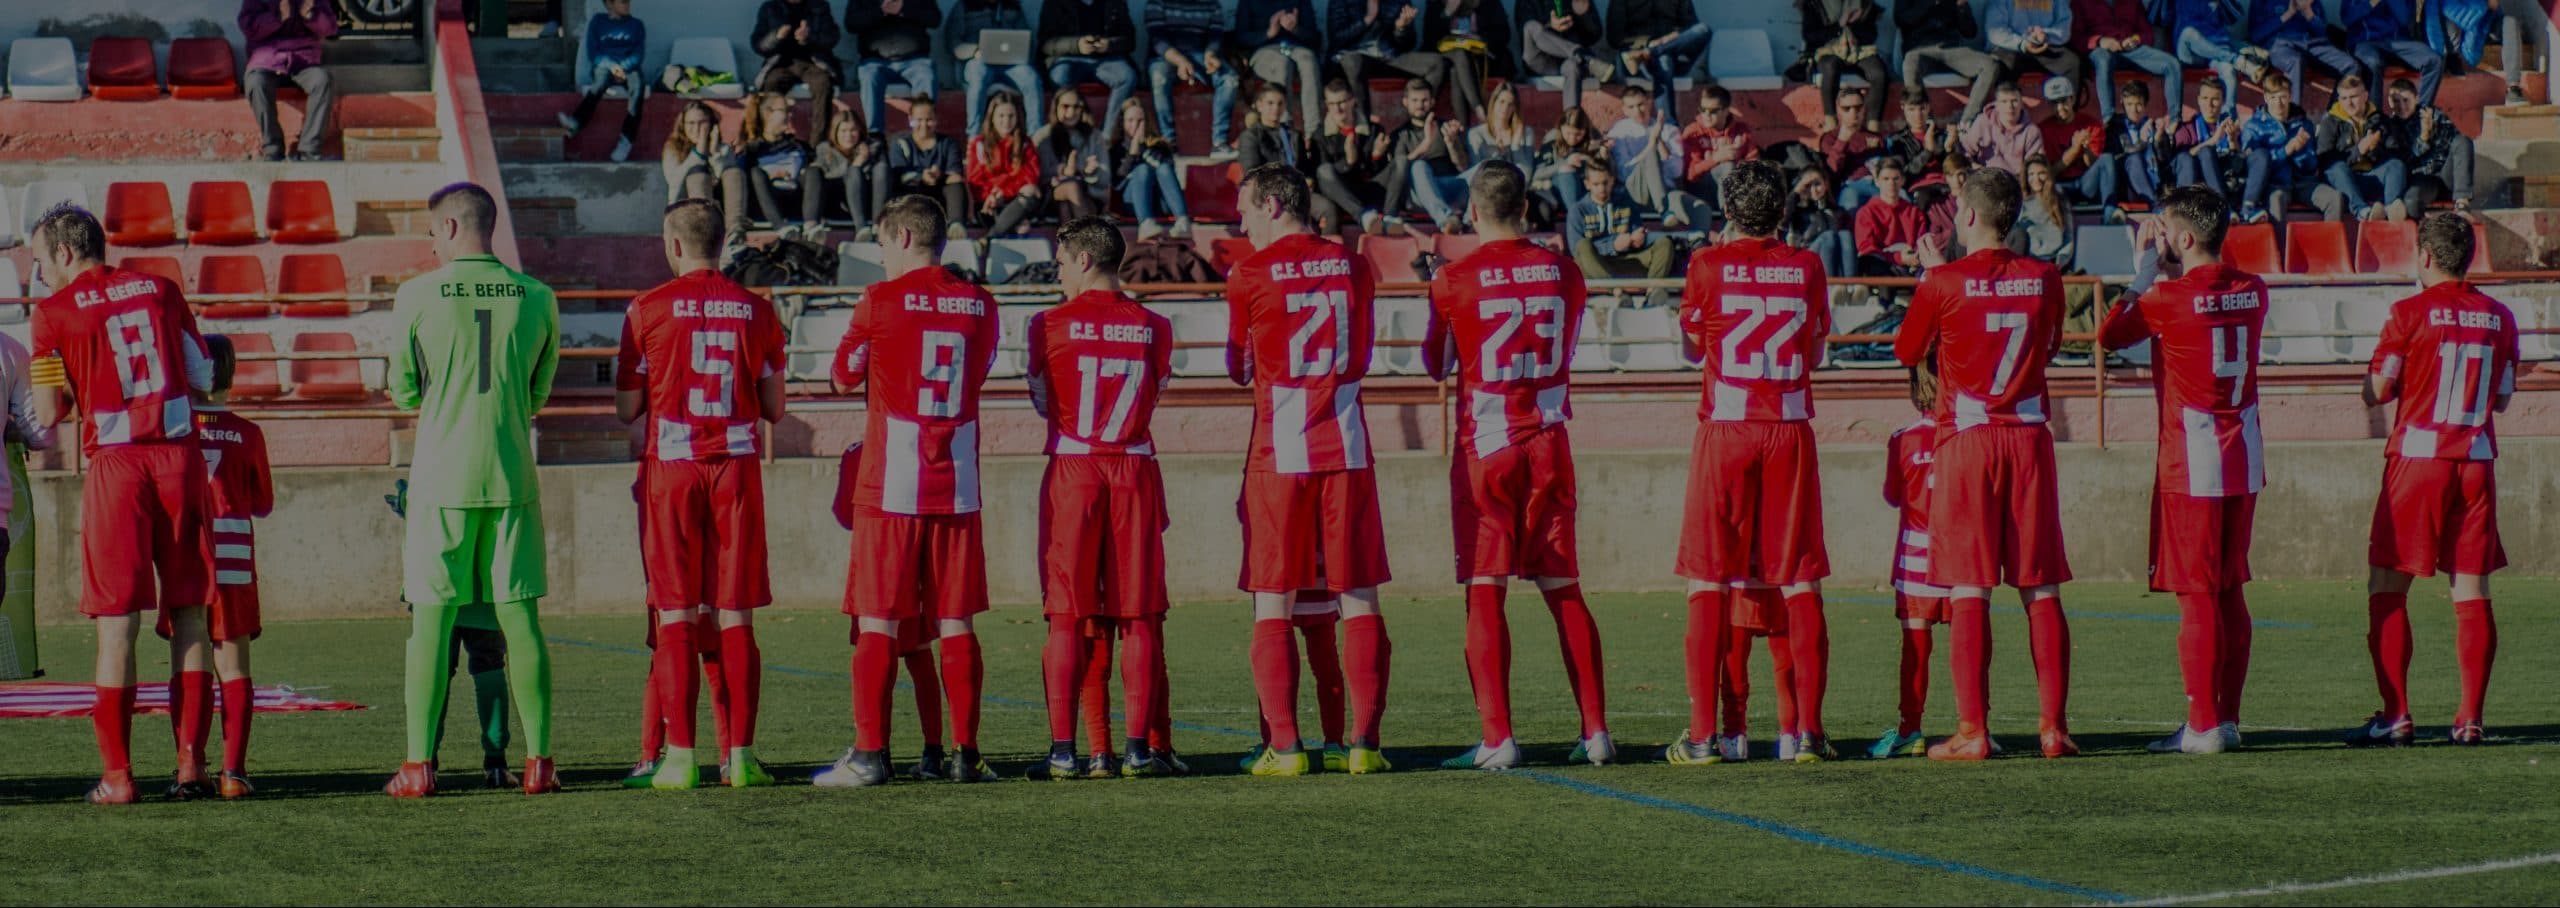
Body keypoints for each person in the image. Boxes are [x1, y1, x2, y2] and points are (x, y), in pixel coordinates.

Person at [1421, 161, 1612, 771]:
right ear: (1526, 209)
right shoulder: (1565, 271)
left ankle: (1499, 737)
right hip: (1549, 441)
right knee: (1564, 590)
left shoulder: (1453, 278)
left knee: (1485, 590)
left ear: (1473, 212)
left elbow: (1434, 362)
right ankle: (1597, 731)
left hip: (1488, 445)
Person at [27, 206, 216, 804]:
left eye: (38, 262)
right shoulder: (162, 289)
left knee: (117, 626)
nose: (38, 276)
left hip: (116, 463)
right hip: (180, 457)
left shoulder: (52, 314)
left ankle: (118, 777)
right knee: (189, 614)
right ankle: (190, 767)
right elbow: (203, 374)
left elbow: (53, 412)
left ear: (63, 253)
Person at [816, 195, 1003, 787]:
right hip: (957, 478)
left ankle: (870, 756)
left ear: (900, 237)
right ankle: (965, 756)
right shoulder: (980, 303)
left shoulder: (879, 300)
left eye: (880, 244)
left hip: (891, 479)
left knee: (878, 622)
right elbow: (979, 368)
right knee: (955, 622)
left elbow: (842, 377)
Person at [1891, 167, 2077, 761]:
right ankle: (2053, 728)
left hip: (1968, 441)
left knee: (1970, 586)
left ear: (1967, 217)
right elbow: (2049, 347)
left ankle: (1973, 730)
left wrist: (1929, 274)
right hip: (2026, 438)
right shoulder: (2045, 277)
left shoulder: (1943, 280)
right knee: (2040, 588)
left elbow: (1905, 350)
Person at [384, 184, 563, 797]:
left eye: (434, 233)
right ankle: (539, 763)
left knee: (430, 626)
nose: (431, 245)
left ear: (454, 227)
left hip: (441, 481)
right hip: (512, 476)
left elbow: (404, 391)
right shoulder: (538, 296)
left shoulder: (416, 294)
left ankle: (417, 767)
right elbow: (537, 396)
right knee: (521, 622)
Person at [1225, 164, 1393, 777]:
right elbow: (1366, 352)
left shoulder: (1248, 272)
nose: (1240, 222)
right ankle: (1364, 746)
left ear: (1273, 204)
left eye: (1245, 209)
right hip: (1345, 446)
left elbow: (1237, 366)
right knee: (1359, 598)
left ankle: (1287, 748)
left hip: (1278, 454)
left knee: (1273, 602)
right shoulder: (1354, 264)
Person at [614, 199, 788, 789]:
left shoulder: (646, 310)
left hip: (674, 469)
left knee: (675, 613)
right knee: (735, 614)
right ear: (721, 243)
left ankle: (680, 758)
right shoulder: (757, 310)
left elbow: (626, 410)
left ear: (673, 244)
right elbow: (775, 409)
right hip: (735, 468)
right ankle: (739, 757)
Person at [1667, 160, 1836, 765]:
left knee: (1709, 577)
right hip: (1788, 427)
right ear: (1783, 212)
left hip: (1728, 428)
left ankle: (1704, 736)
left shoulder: (1707, 265)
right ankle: (1809, 735)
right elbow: (1816, 346)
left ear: (1728, 212)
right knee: (1798, 577)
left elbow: (1692, 348)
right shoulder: (1808, 265)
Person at [2096, 185, 2266, 756]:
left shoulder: (2166, 299)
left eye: (2168, 229)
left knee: (2196, 595)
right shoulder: (2254, 290)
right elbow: (2220, 280)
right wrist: (2181, 250)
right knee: (2230, 591)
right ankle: (2229, 719)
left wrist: (2146, 267)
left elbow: (2109, 333)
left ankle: (2202, 725)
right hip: (2244, 454)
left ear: (2184, 237)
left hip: (2191, 459)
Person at [1025, 217, 1178, 780]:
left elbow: (1043, 400)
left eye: (1063, 262)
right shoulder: (1156, 326)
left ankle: (1066, 750)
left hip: (1075, 468)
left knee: (1067, 616)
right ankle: (1138, 750)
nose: (1060, 273)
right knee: (1138, 616)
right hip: (1134, 468)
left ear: (1085, 261)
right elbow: (1157, 391)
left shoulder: (1046, 324)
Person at [2354, 214, 2514, 748]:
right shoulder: (2500, 316)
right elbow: (2503, 399)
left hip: (2419, 461)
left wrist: (2368, 385)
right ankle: (2469, 718)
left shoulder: (2407, 313)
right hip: (2475, 458)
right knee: (2471, 590)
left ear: (2424, 256)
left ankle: (2396, 713)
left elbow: (2379, 389)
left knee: (2387, 586)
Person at [167, 336, 268, 799]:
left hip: (184, 550)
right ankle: (234, 773)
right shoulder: (249, 432)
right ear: (231, 374)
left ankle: (190, 765)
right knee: (234, 662)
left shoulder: (175, 428)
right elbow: (263, 503)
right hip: (232, 555)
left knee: (187, 656)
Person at [1868, 366, 1944, 759]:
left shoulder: (1903, 439)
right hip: (1962, 554)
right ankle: (1976, 724)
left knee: (1916, 645)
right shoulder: (1965, 435)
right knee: (1972, 639)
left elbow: (1892, 496)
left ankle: (1910, 729)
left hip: (1916, 555)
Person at [239, 0, 339, 162]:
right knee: (255, 82)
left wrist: (310, 15)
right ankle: (273, 148)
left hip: (304, 59)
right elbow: (249, 27)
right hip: (268, 59)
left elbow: (329, 28)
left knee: (322, 80)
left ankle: (309, 149)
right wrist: (278, 17)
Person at [1329, 0, 1451, 124]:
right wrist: (1368, 19)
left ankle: (1419, 121)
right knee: (1353, 62)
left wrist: (1401, 28)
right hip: (1356, 57)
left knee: (1437, 63)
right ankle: (1364, 125)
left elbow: (1409, 44)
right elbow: (1336, 38)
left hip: (1388, 57)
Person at [1715, 583, 1798, 761]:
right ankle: (1790, 736)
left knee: (1735, 658)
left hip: (1741, 585)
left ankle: (1734, 736)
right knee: (1785, 661)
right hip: (1779, 581)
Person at [1569, 163, 1677, 295]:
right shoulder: (1578, 210)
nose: (1602, 188)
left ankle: (1653, 291)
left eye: (1605, 183)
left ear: (1612, 180)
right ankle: (1616, 291)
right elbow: (1576, 250)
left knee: (1664, 243)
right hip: (1596, 266)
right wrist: (1612, 246)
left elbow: (1636, 230)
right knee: (1583, 246)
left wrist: (1638, 238)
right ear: (1587, 184)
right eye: (1596, 184)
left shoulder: (1625, 202)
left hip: (1628, 259)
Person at [1038, 0, 1138, 143]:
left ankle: (1107, 138)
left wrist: (1109, 45)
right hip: (1069, 58)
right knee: (1059, 77)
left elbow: (1130, 39)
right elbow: (1046, 43)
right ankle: (1069, 134)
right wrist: (1077, 45)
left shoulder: (1115, 3)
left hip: (1106, 59)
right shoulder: (1054, 3)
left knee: (1127, 76)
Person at [558, 0, 647, 161]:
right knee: (598, 85)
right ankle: (576, 122)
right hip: (605, 65)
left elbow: (638, 54)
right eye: (623, 2)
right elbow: (593, 53)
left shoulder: (637, 25)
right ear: (610, 4)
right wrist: (612, 66)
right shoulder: (598, 22)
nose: (628, 5)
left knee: (638, 87)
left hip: (629, 67)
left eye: (628, 2)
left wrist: (623, 67)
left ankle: (626, 140)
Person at [2313, 74, 2410, 222]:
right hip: (2345, 183)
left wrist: (2374, 149)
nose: (2349, 103)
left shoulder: (2380, 120)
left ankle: (2391, 209)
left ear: (2365, 96)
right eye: (2344, 98)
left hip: (2373, 178)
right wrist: (2359, 151)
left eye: (2353, 97)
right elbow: (2325, 161)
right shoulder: (2330, 122)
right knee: (2336, 167)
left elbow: (2395, 153)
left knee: (2396, 165)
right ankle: (2363, 212)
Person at [1147, 0, 1240, 154]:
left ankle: (1219, 142)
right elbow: (1158, 41)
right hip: (1166, 57)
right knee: (1159, 77)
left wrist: (1211, 54)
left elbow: (1216, 37)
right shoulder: (1157, 3)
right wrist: (1180, 61)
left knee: (1229, 78)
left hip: (1201, 55)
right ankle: (1168, 142)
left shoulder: (1212, 4)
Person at [1604, 84, 1700, 229]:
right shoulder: (1619, 132)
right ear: (1624, 110)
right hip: (1636, 191)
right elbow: (1624, 173)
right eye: (1631, 107)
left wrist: (1659, 140)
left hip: (1667, 190)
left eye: (1641, 104)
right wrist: (1651, 144)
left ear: (1649, 102)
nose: (1637, 111)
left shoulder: (1668, 130)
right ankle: (1663, 211)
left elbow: (1677, 171)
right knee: (1650, 155)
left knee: (1701, 209)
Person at [733, 91, 823, 241]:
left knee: (814, 171)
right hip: (768, 203)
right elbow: (741, 179)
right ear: (768, 114)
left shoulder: (798, 145)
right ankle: (781, 227)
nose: (790, 116)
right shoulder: (753, 148)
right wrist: (771, 176)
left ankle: (811, 226)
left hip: (797, 198)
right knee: (756, 173)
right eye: (785, 111)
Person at [844, 0, 942, 136]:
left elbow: (934, 19)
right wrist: (880, 11)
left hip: (915, 60)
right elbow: (851, 23)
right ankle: (875, 136)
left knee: (927, 76)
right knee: (868, 77)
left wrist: (904, 9)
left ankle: (924, 131)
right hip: (875, 61)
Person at [1388, 80, 1472, 233]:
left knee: (1483, 168)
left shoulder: (1444, 127)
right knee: (1418, 166)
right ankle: (1446, 220)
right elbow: (1398, 172)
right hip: (1419, 194)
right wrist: (1426, 144)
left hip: (1449, 187)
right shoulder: (1399, 135)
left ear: (1432, 102)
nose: (1420, 105)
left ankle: (1469, 220)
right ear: (1405, 102)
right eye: (1415, 100)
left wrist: (1452, 143)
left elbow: (1463, 167)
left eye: (1424, 100)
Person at [1608, 0, 1713, 123]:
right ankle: (1669, 126)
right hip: (1636, 54)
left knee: (1703, 29)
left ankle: (1652, 51)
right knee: (1664, 62)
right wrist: (1647, 43)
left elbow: (1689, 25)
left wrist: (1674, 35)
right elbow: (1614, 38)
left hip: (1671, 47)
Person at [951, 0, 1045, 135]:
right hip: (977, 61)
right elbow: (952, 41)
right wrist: (974, 51)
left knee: (1031, 78)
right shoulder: (964, 6)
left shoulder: (1013, 6)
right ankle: (974, 135)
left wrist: (1019, 52)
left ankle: (1036, 135)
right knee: (978, 78)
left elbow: (1027, 40)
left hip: (1012, 64)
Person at [1899, 0, 2001, 125]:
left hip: (1951, 51)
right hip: (1921, 50)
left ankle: (1967, 122)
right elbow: (1902, 20)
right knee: (1910, 61)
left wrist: (1962, 7)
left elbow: (1970, 32)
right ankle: (1925, 123)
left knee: (1990, 64)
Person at [752, 0, 843, 139]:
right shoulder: (770, 7)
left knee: (823, 84)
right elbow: (758, 45)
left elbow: (832, 38)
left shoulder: (819, 6)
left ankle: (817, 145)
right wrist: (776, 37)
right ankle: (769, 140)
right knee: (771, 85)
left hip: (813, 63)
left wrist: (808, 38)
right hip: (781, 63)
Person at [2385, 77, 2476, 215]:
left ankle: (2462, 204)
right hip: (2421, 181)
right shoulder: (2390, 127)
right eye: (2396, 101)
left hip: (2445, 177)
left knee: (2463, 141)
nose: (2402, 106)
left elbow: (2457, 148)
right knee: (2411, 201)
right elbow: (2402, 162)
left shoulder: (2434, 116)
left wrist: (2433, 131)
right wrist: (2423, 138)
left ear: (2416, 98)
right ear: (2390, 102)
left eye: (2406, 100)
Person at [2237, 72, 2319, 223]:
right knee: (2276, 200)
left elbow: (2311, 167)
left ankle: (2329, 244)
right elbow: (2256, 166)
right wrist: (2286, 150)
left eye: (2282, 97)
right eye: (2273, 97)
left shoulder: (2304, 124)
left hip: (2303, 184)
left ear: (2290, 96)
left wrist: (2301, 150)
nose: (2278, 103)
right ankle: (2278, 246)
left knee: (2335, 198)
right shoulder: (2253, 127)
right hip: (2275, 184)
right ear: (2266, 97)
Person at [2079, 0, 2176, 123]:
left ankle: (2174, 121)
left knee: (2172, 64)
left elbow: (2147, 33)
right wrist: (2099, 41)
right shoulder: (2081, 2)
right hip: (2101, 51)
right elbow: (2075, 38)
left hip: (2130, 51)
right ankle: (2109, 120)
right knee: (2104, 59)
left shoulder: (2133, 2)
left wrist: (2135, 39)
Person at [1312, 80, 1390, 233]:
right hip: (1341, 195)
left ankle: (1390, 217)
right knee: (1324, 171)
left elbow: (1380, 174)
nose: (1337, 108)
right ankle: (1363, 216)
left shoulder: (1374, 129)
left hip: (1369, 190)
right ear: (1327, 105)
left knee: (1400, 164)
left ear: (1352, 100)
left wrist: (1376, 157)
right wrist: (1348, 162)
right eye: (1332, 104)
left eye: (1341, 102)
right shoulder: (1320, 135)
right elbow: (1323, 180)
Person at [1237, 0, 1325, 135]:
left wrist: (1296, 29)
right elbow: (1240, 37)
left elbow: (1314, 38)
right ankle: (1284, 129)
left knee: (1309, 62)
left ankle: (1313, 132)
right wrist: (1268, 33)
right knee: (1282, 64)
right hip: (1264, 51)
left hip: (1297, 47)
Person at [1112, 98, 1196, 239]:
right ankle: (1146, 224)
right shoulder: (1116, 149)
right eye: (1130, 121)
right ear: (1122, 123)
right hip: (1133, 202)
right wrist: (1132, 154)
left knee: (1163, 167)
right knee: (1142, 169)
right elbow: (1117, 184)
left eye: (1140, 121)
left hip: (1161, 201)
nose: (1135, 126)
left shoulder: (1160, 147)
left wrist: (1144, 147)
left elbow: (1168, 175)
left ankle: (1183, 222)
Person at [1417, 0, 1511, 125]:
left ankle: (1463, 128)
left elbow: (1504, 34)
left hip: (1479, 59)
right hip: (1447, 56)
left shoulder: (1489, 3)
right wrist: (1447, 13)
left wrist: (1480, 38)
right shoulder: (1436, 3)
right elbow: (1430, 39)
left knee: (1457, 69)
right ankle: (1479, 109)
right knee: (1459, 57)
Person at [966, 91, 1044, 240]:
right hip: (988, 204)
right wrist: (993, 195)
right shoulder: (980, 144)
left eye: (1011, 116)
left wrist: (1003, 192)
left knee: (1031, 191)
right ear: (992, 118)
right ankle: (1005, 227)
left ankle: (987, 239)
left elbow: (1029, 177)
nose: (1006, 121)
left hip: (1016, 201)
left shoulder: (1025, 144)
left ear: (1017, 117)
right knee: (1020, 225)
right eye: (1001, 116)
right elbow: (975, 181)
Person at [1799, 0, 1886, 134]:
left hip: (1858, 52)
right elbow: (1810, 36)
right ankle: (1831, 123)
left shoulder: (1864, 4)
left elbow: (1871, 36)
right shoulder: (1814, 4)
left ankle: (1872, 129)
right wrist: (1840, 24)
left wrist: (1853, 23)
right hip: (1827, 51)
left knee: (1879, 74)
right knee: (1830, 68)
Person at [888, 96, 971, 233]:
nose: (924, 125)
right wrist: (922, 176)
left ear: (936, 120)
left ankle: (956, 226)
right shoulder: (900, 142)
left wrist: (938, 175)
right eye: (919, 120)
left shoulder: (948, 144)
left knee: (956, 183)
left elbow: (954, 174)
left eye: (929, 120)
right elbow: (899, 174)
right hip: (911, 193)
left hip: (939, 193)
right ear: (910, 120)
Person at [1678, 85, 1760, 224]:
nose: (1706, 115)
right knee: (1726, 166)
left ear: (1726, 111)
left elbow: (1754, 165)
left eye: (1713, 111)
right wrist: (1717, 158)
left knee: (1735, 170)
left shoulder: (1741, 131)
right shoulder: (1694, 132)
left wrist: (1737, 162)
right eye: (1703, 110)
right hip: (1701, 192)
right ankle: (1729, 222)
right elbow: (1690, 175)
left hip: (1733, 191)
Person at [2252, 0, 2359, 104]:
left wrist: (2308, 11)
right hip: (2280, 44)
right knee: (2296, 61)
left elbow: (2323, 33)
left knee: (2351, 66)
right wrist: (2288, 14)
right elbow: (2256, 35)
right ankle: (2294, 117)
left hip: (2309, 42)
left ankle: (2333, 116)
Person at [812, 108, 891, 240]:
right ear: (835, 132)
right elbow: (825, 176)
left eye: (853, 130)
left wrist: (865, 162)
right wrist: (855, 164)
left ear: (860, 131)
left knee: (882, 167)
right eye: (843, 131)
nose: (849, 135)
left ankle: (879, 225)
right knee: (853, 171)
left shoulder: (874, 148)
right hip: (839, 201)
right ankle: (861, 228)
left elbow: (882, 178)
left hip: (868, 201)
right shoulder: (825, 149)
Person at [2346, 0, 2442, 107]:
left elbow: (2405, 19)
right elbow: (2348, 18)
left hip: (2397, 42)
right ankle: (2374, 119)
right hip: (2365, 42)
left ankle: (2419, 116)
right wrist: (2370, 3)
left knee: (2434, 60)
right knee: (2372, 63)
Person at [1033, 88, 1106, 227]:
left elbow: (1106, 178)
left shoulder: (1094, 136)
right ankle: (1090, 238)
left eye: (1076, 107)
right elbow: (1037, 174)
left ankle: (1068, 247)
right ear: (1056, 107)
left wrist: (1088, 172)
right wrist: (1062, 171)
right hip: (1049, 195)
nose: (1071, 112)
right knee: (1071, 187)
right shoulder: (1042, 136)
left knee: (1066, 206)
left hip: (1087, 193)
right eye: (1065, 106)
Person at [2095, 79, 2169, 210]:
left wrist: (2158, 140)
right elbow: (2119, 159)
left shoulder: (2152, 125)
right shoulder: (2115, 127)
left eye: (2138, 104)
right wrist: (2142, 142)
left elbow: (2164, 160)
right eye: (2129, 104)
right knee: (2134, 159)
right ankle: (2155, 205)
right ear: (2122, 104)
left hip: (2154, 182)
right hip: (2124, 185)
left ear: (2146, 104)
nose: (2134, 109)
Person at [1524, 0, 1607, 115]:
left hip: (1569, 61)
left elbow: (1594, 36)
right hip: (1542, 61)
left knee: (1572, 67)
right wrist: (1549, 25)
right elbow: (1522, 32)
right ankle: (1583, 57)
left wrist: (1584, 14)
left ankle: (1571, 119)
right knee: (1530, 26)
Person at [1855, 158, 1933, 276]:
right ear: (1877, 181)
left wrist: (1915, 257)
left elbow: (1921, 241)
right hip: (1882, 265)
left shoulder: (1914, 212)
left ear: (1902, 180)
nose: (1891, 183)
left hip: (1913, 264)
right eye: (1886, 179)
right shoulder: (1866, 212)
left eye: (1896, 178)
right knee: (1870, 261)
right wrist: (1898, 258)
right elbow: (1867, 249)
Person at [1986, 0, 2084, 88]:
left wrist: (2046, 35)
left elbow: (2064, 26)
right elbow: (1995, 30)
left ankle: (2066, 107)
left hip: (2044, 46)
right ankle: (2006, 106)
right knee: (2003, 64)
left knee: (2071, 63)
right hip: (2012, 47)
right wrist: (2023, 43)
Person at [663, 101, 742, 209]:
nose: (696, 128)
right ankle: (703, 221)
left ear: (712, 124)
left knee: (733, 172)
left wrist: (714, 154)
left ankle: (735, 224)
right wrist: (699, 154)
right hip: (687, 208)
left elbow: (725, 182)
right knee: (698, 173)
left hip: (719, 205)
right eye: (691, 123)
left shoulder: (723, 149)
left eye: (702, 122)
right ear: (683, 125)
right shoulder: (672, 149)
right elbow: (675, 184)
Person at [2170, 79, 2245, 194]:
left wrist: (2233, 141)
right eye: (2205, 98)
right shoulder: (2186, 128)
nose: (2209, 104)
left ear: (2223, 101)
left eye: (2215, 99)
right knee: (2204, 152)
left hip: (2223, 179)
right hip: (2196, 182)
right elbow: (2182, 160)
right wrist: (2213, 141)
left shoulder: (2230, 126)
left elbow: (2240, 164)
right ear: (2199, 100)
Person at [1532, 109, 1605, 221]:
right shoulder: (1552, 140)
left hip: (1588, 190)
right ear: (1560, 128)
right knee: (1567, 170)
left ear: (1585, 131)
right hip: (1560, 191)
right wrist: (1565, 163)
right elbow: (1537, 173)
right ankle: (1576, 218)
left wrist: (1594, 158)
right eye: (1568, 133)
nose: (1572, 138)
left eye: (1578, 134)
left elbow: (1606, 171)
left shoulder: (1594, 138)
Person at [1790, 166, 1858, 278]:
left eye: (1817, 184)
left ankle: (1850, 285)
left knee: (1845, 234)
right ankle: (1829, 286)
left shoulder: (1837, 211)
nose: (1813, 190)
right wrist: (1797, 192)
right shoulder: (1797, 210)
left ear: (1825, 184)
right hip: (1806, 255)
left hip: (1832, 257)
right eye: (1808, 186)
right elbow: (1783, 219)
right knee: (1828, 236)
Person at [1962, 82, 2043, 177]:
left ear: (2021, 103)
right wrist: (1976, 168)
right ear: (1996, 104)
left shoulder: (2032, 131)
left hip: (2016, 181)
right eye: (2004, 101)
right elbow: (1965, 151)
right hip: (1985, 179)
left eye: (2014, 101)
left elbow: (2035, 165)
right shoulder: (1982, 122)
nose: (2010, 106)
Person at [1821, 89, 1885, 209]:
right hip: (1850, 185)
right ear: (1838, 110)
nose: (1853, 112)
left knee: (1901, 196)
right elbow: (1831, 171)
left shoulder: (1875, 137)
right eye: (1847, 108)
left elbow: (1887, 166)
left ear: (1864, 108)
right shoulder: (1830, 138)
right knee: (1850, 199)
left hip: (1879, 184)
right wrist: (1842, 140)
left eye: (1858, 107)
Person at [2013, 157, 2077, 268]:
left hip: (2055, 263)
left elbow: (2069, 237)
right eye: (2031, 174)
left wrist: (2060, 262)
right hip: (2028, 264)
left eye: (2041, 173)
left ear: (2048, 175)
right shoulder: (2020, 202)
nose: (2036, 178)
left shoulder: (2060, 199)